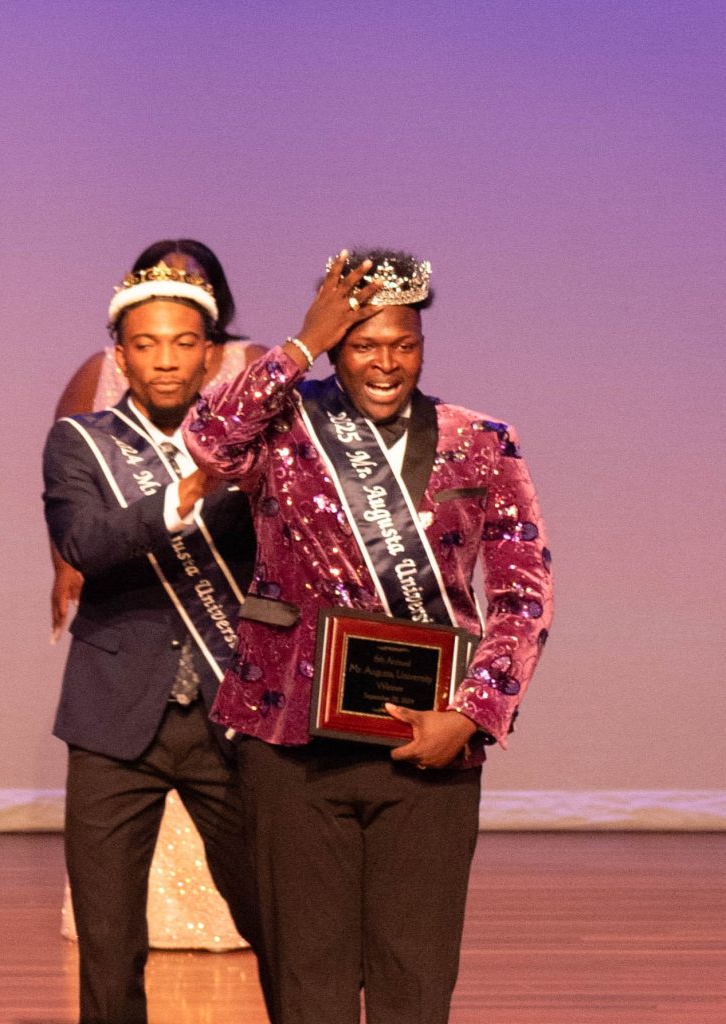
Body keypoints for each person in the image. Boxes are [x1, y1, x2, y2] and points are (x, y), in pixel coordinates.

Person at [184, 248, 554, 1024]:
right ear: (336, 343)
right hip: (289, 742)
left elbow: (523, 593)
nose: (385, 362)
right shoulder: (286, 425)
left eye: (403, 343)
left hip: (431, 744)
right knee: (307, 983)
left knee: (413, 983)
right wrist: (298, 344)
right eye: (361, 342)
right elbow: (209, 440)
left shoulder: (479, 439)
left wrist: (474, 713)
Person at [42, 258, 269, 1024]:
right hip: (111, 723)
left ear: (211, 353)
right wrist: (188, 492)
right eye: (146, 345)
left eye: (182, 343)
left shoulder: (252, 449)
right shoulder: (81, 443)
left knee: (276, 921)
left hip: (231, 714)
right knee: (108, 943)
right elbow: (85, 541)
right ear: (120, 355)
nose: (165, 359)